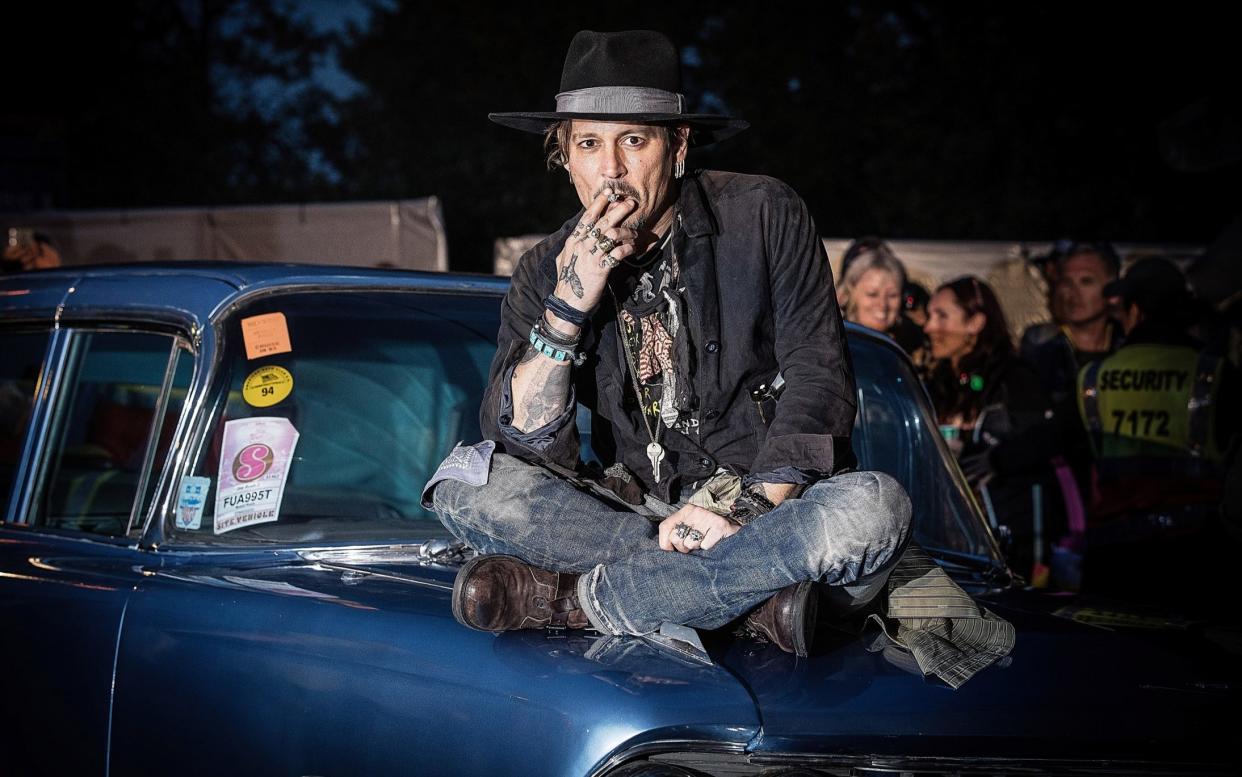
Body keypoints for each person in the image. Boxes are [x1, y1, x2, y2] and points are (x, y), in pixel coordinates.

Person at [421, 29, 911, 657]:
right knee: (464, 484)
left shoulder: (763, 213)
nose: (611, 171)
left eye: (633, 140)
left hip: (766, 511)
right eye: (589, 144)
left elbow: (819, 377)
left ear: (678, 146)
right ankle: (749, 605)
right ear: (564, 157)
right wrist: (568, 308)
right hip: (640, 520)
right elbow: (520, 442)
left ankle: (579, 602)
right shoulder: (545, 269)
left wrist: (745, 511)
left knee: (873, 507)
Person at [1076, 257, 1238, 601]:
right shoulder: (1215, 373)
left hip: (1114, 558)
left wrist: (995, 459)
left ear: (1135, 311)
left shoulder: (1094, 376)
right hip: (1198, 555)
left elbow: (1051, 440)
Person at [922, 277, 1061, 584]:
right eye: (930, 316)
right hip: (952, 540)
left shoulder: (1015, 379)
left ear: (976, 322)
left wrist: (997, 459)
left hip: (1015, 541)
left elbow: (1047, 438)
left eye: (941, 316)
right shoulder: (937, 382)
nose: (929, 327)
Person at [837, 238, 924, 354]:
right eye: (872, 294)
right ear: (847, 297)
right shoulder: (830, 345)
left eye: (892, 295)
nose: (883, 305)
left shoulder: (916, 345)